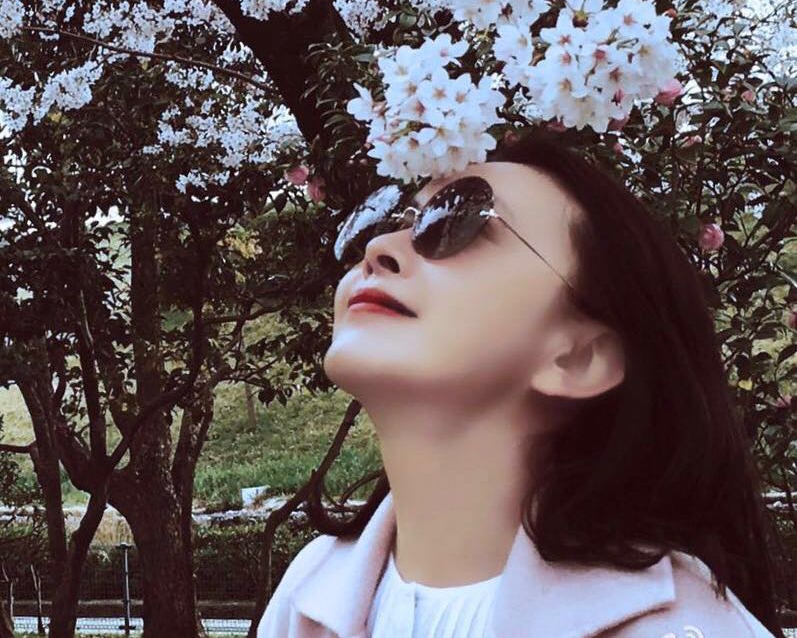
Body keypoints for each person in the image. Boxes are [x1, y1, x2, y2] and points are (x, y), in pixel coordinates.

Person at [257, 129, 786, 638]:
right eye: (389, 219)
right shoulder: (305, 595)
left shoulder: (680, 627)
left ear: (577, 358)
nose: (380, 246)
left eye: (459, 222)